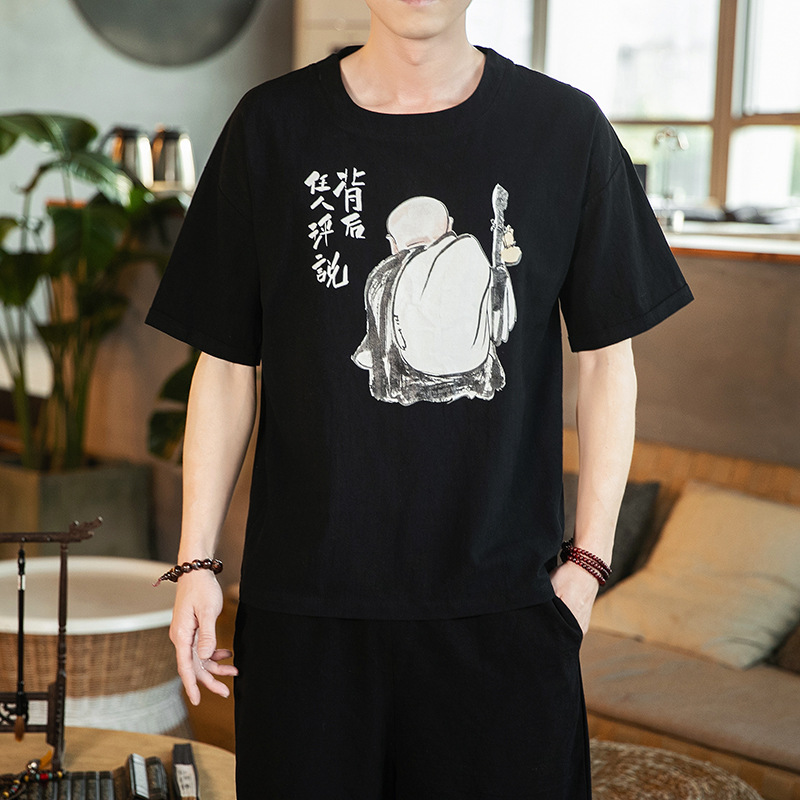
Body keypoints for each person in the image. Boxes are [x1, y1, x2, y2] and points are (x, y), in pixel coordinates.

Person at [146, 1, 693, 797]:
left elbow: (609, 360)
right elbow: (227, 362)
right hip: (308, 609)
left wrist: (587, 565)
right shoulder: (272, 127)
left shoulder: (564, 130)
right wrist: (196, 560)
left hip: (505, 606)